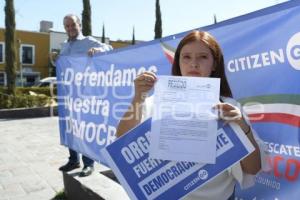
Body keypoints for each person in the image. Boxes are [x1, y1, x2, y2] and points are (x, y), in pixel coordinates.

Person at [116, 31, 263, 199]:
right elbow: (122, 142)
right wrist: (138, 97)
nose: (194, 63)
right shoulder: (157, 101)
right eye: (186, 57)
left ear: (214, 64)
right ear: (178, 62)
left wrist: (242, 126)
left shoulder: (230, 108)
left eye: (203, 57)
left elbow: (253, 168)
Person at [55, 14, 113, 177]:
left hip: (84, 94)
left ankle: (88, 164)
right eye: (67, 26)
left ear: (79, 24)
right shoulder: (64, 46)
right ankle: (74, 160)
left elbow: (110, 48)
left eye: (73, 25)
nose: (70, 28)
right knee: (70, 128)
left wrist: (98, 50)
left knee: (84, 128)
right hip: (68, 93)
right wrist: (56, 60)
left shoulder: (88, 41)